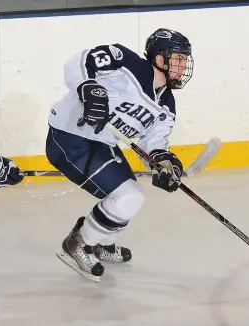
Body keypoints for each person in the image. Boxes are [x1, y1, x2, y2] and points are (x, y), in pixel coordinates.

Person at [45, 27, 194, 280]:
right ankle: (79, 243)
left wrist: (164, 162)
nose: (182, 66)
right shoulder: (125, 61)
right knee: (126, 196)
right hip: (69, 136)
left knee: (132, 197)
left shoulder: (167, 103)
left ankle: (99, 241)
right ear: (159, 58)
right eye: (178, 58)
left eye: (185, 60)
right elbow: (80, 62)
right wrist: (88, 88)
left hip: (101, 143)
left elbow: (154, 140)